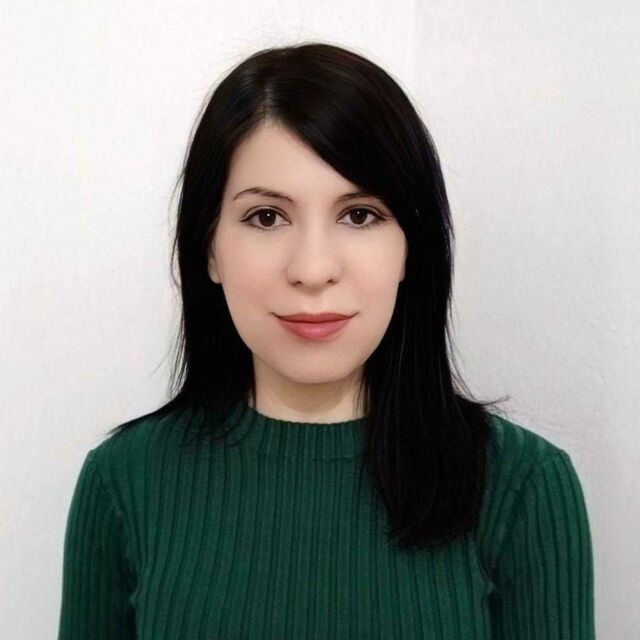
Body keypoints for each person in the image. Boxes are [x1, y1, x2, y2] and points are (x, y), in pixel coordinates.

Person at [57, 42, 595, 639]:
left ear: (410, 248)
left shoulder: (522, 486)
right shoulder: (123, 481)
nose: (313, 270)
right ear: (209, 248)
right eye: (266, 217)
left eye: (359, 215)